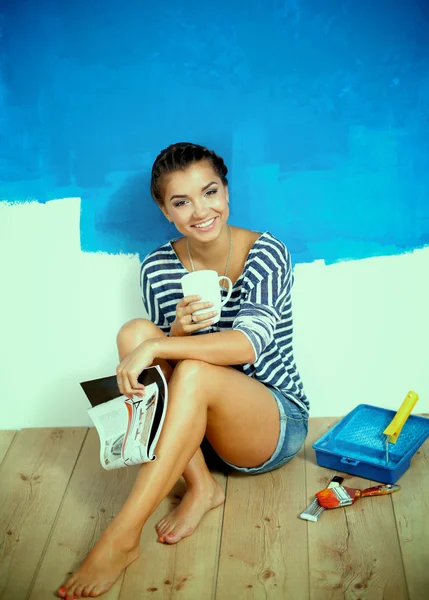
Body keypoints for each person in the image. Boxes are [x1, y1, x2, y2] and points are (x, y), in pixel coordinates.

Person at [58, 142, 309, 599]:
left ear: (226, 192)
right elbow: (163, 361)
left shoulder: (267, 252)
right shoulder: (157, 267)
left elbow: (247, 345)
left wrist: (162, 341)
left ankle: (122, 535)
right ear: (164, 210)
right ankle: (201, 487)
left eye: (210, 192)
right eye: (181, 202)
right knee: (135, 332)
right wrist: (169, 330)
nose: (200, 210)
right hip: (196, 433)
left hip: (271, 422)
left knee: (179, 362)